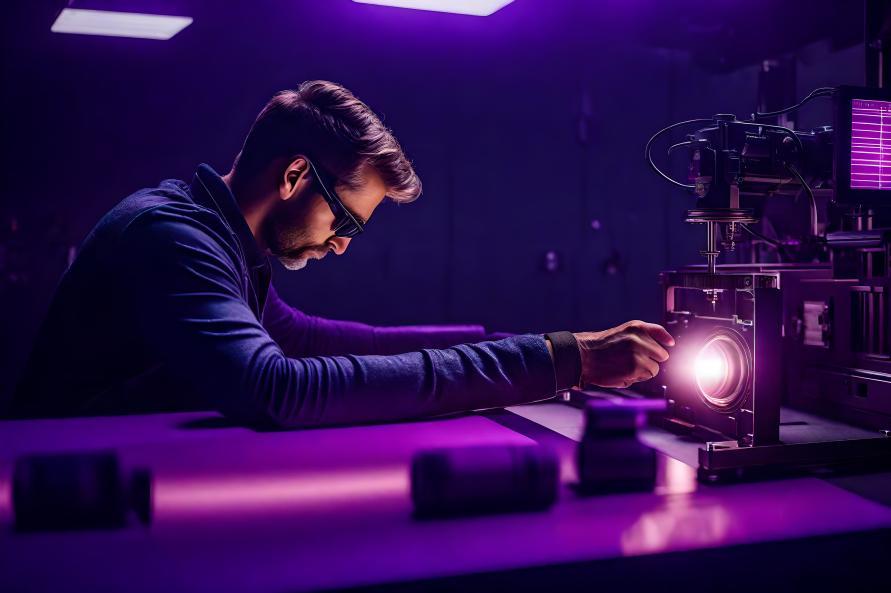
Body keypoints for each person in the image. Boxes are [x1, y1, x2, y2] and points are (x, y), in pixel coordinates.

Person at [10, 80, 673, 427]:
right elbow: (278, 386)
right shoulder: (173, 238)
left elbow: (303, 339)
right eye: (346, 218)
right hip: (48, 512)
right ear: (295, 176)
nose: (343, 242)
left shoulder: (216, 236)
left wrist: (517, 344)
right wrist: (561, 358)